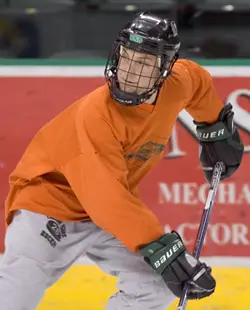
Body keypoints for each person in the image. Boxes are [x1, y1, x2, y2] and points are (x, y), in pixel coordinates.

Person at [0, 11, 244, 310]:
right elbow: (107, 198)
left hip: (107, 215)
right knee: (14, 298)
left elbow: (199, 84)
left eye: (143, 63)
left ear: (166, 68)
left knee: (157, 285)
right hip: (48, 206)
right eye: (127, 57)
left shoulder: (180, 82)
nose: (130, 70)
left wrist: (215, 128)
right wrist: (163, 249)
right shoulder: (96, 116)